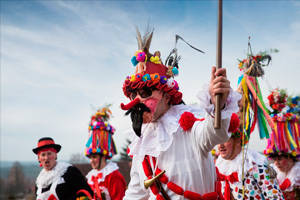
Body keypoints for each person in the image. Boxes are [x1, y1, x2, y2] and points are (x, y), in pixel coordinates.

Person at [121, 29, 241, 199]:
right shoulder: (141, 144)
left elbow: (215, 133)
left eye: (145, 92)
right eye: (133, 95)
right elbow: (135, 193)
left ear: (167, 95)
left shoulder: (189, 126)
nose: (137, 101)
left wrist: (218, 104)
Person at [215, 113, 284, 200]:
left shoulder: (257, 166)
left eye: (225, 139)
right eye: (218, 140)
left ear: (238, 141)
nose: (220, 145)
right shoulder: (219, 168)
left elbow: (275, 198)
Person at [264, 91, 300, 200]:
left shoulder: (297, 171)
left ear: (290, 158)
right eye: (274, 158)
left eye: (279, 158)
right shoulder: (273, 170)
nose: (276, 162)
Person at [85, 106, 126, 200]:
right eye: (90, 157)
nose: (91, 161)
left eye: (94, 157)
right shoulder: (91, 176)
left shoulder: (113, 176)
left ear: (103, 156)